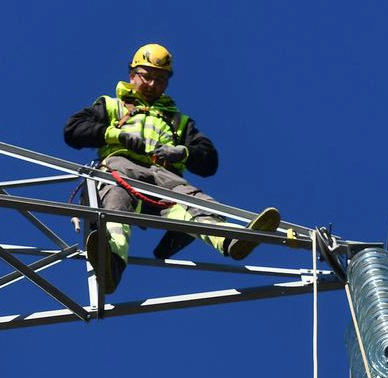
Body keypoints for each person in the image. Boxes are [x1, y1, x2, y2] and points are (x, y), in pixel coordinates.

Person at [63, 43, 279, 295]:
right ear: (132, 75)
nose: (153, 85)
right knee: (115, 199)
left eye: (161, 79)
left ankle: (231, 239)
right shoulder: (112, 105)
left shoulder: (177, 120)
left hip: (165, 177)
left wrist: (183, 152)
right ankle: (110, 263)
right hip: (121, 167)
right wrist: (116, 135)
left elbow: (209, 160)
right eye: (148, 77)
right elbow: (74, 130)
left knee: (191, 201)